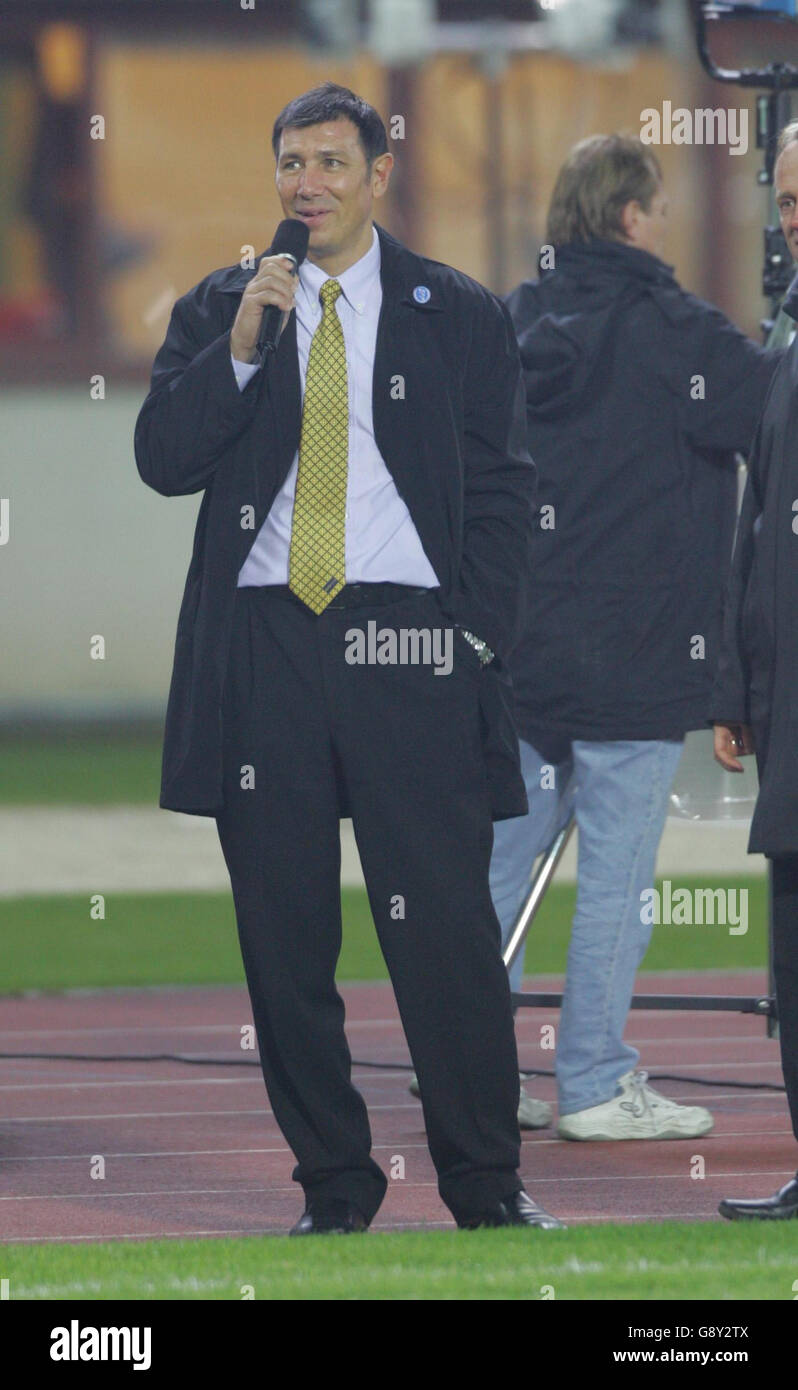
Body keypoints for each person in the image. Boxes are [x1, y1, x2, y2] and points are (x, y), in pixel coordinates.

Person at [134, 83, 564, 1233]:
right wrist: (233, 355)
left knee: (447, 939)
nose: (306, 184)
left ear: (378, 174)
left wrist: (473, 635)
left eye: (330, 161)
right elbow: (162, 460)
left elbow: (507, 490)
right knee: (283, 941)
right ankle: (335, 1187)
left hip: (409, 639)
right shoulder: (227, 306)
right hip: (265, 647)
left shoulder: (456, 312)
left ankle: (486, 1188)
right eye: (290, 163)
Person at [487, 135, 781, 1141]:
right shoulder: (677, 329)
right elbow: (771, 418)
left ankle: (473, 1072)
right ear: (628, 218)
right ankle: (596, 1081)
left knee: (498, 869)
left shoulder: (513, 320)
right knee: (616, 881)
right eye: (657, 209)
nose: (666, 225)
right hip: (644, 652)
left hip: (523, 649)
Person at [712, 119, 798, 1221]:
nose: (795, 218)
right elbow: (758, 515)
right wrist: (735, 682)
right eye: (785, 199)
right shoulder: (786, 333)